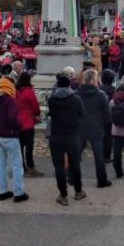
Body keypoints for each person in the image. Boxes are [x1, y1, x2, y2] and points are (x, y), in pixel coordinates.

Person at [46, 73, 85, 205]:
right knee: (75, 165)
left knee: (59, 167)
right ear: (69, 85)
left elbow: (51, 113)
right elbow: (81, 113)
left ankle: (63, 195)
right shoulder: (76, 99)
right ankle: (79, 191)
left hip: (56, 136)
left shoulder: (52, 99)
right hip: (72, 135)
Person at [0, 76, 28, 202]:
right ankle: (18, 193)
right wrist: (19, 125)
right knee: (16, 164)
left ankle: (3, 191)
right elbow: (13, 118)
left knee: (1, 164)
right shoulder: (9, 100)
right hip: (9, 134)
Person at [15, 72, 43, 178]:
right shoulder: (29, 91)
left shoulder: (15, 91)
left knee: (20, 146)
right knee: (29, 146)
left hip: (17, 122)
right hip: (27, 122)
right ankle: (31, 167)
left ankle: (22, 166)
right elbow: (35, 108)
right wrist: (36, 113)